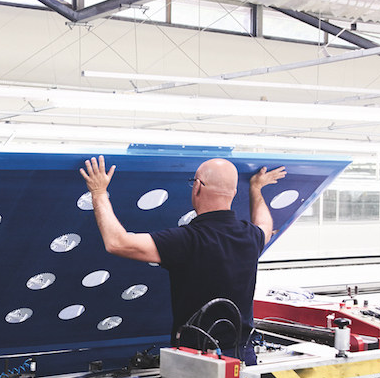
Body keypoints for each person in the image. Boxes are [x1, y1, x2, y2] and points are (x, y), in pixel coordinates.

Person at [80, 156, 286, 364]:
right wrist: (256, 189)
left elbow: (117, 243)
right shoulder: (250, 236)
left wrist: (98, 193)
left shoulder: (186, 240)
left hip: (197, 361)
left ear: (197, 187)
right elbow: (265, 226)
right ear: (233, 193)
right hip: (243, 357)